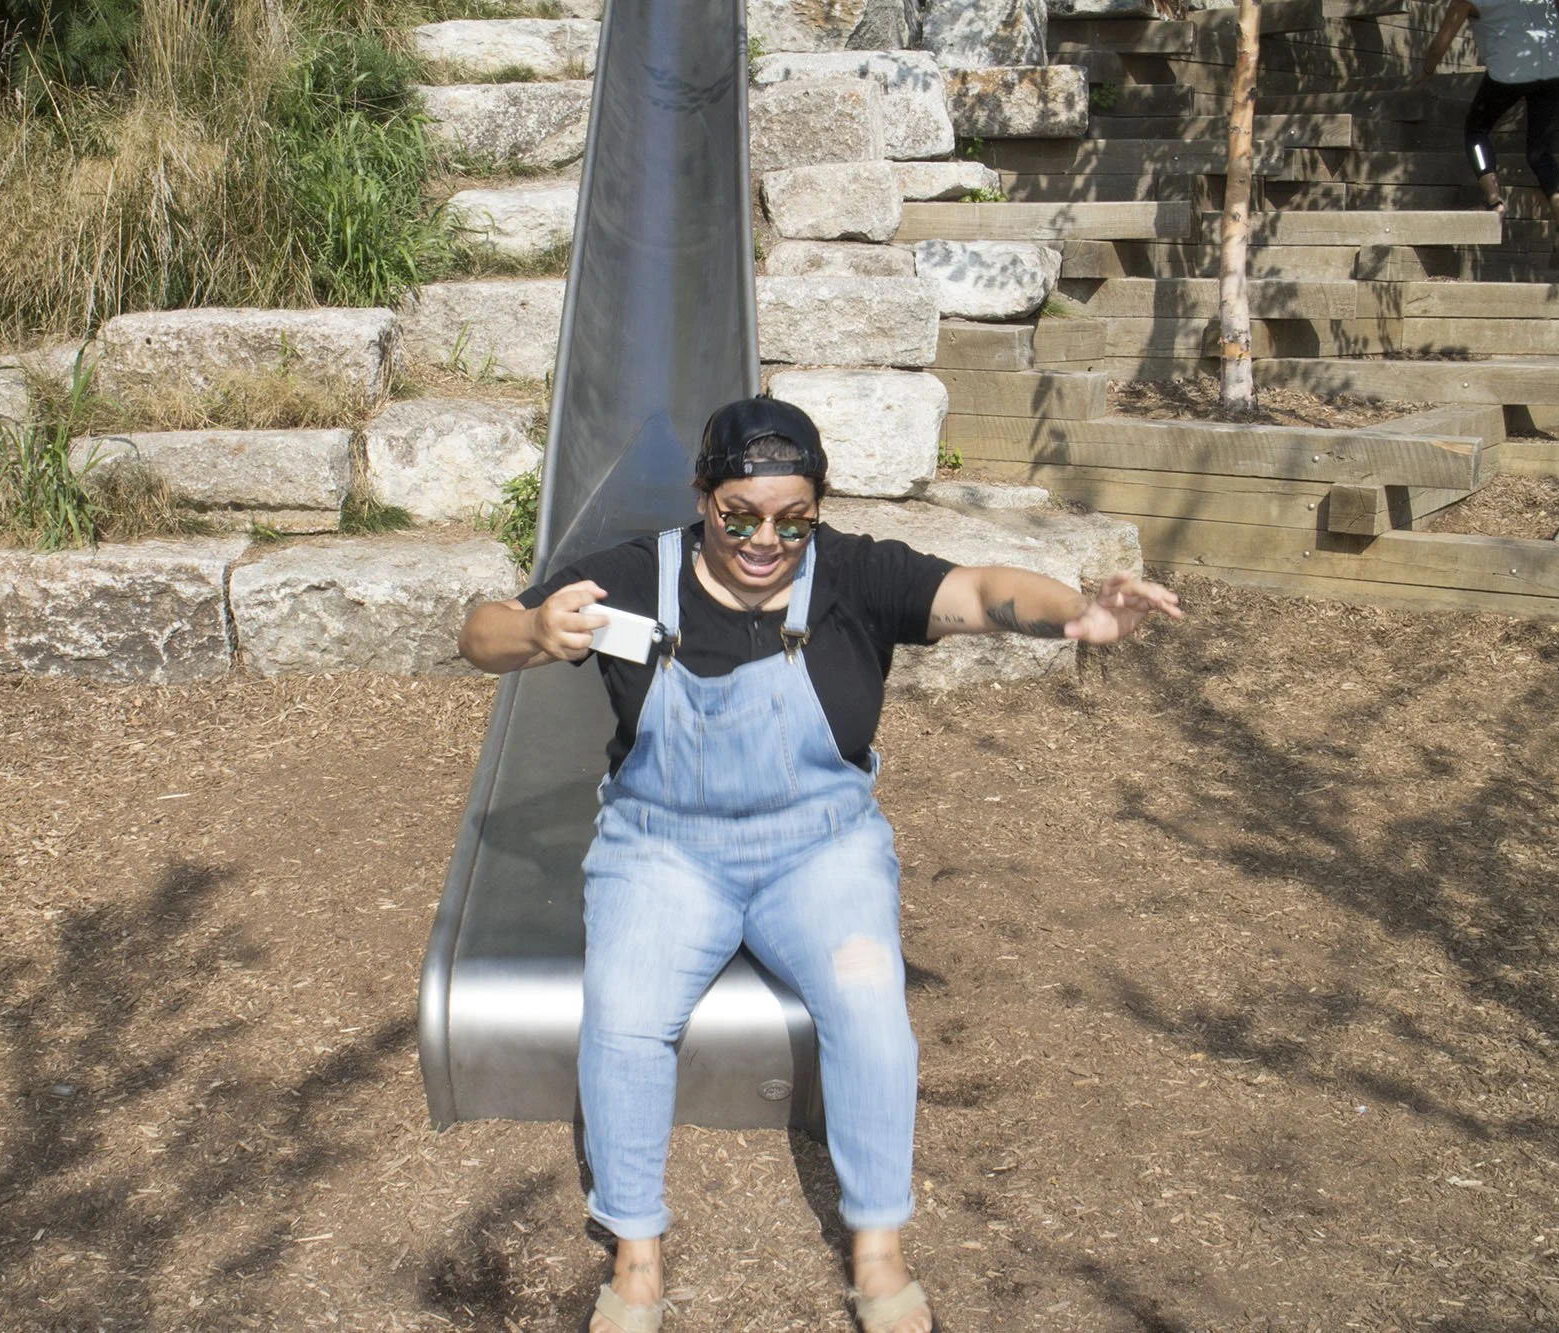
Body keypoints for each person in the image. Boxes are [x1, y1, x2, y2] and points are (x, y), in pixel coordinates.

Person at [457, 397, 1182, 1333]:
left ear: (817, 507)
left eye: (793, 518)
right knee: (626, 1021)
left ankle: (878, 1250)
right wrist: (531, 633)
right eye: (740, 516)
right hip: (664, 850)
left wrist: (1076, 614)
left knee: (870, 1006)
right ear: (703, 496)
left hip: (819, 848)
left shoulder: (853, 573)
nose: (766, 539)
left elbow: (979, 588)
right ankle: (637, 1255)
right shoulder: (633, 578)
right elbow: (479, 633)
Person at [1420, 0, 1559, 268]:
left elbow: (1440, 43)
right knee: (1540, 152)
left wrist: (1425, 74)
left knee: (1476, 128)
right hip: (1556, 68)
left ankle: (1494, 201)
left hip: (1511, 70)